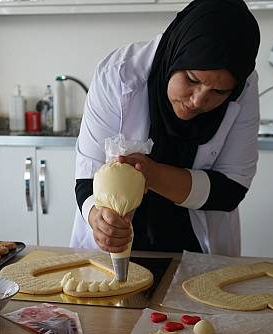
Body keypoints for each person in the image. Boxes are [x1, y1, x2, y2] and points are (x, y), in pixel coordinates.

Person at [70, 0, 261, 257]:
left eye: (218, 92)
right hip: (118, 246)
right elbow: (88, 176)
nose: (198, 100)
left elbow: (230, 189)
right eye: (192, 80)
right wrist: (98, 218)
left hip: (195, 246)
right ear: (176, 55)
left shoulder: (243, 86)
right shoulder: (118, 74)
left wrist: (154, 175)